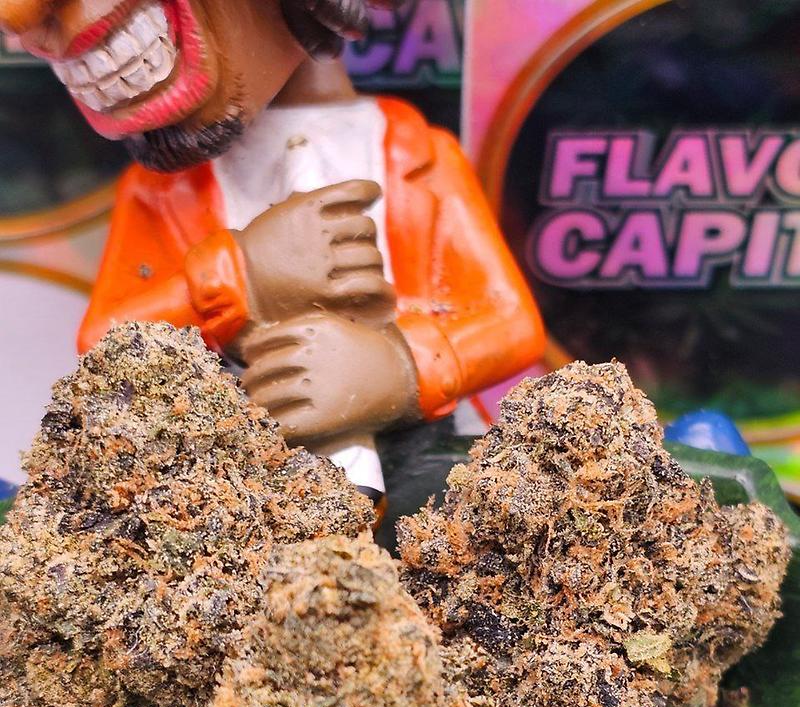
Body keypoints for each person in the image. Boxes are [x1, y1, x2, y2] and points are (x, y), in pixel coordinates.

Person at [0, 0, 546, 504]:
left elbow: (509, 321)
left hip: (413, 467)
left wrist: (399, 368)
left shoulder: (417, 155)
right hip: (242, 477)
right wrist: (239, 275)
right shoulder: (159, 192)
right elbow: (107, 343)